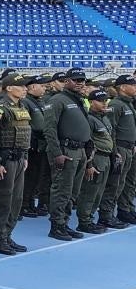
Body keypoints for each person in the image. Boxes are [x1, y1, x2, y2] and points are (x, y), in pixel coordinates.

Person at [0, 73, 34, 255]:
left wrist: (24, 156)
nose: (25, 89)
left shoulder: (22, 106)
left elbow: (24, 134)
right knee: (4, 200)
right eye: (21, 86)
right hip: (5, 160)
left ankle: (7, 235)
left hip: (18, 158)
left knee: (16, 200)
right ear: (9, 88)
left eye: (25, 86)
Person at [44, 68, 91, 241]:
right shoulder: (57, 100)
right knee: (61, 190)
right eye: (76, 80)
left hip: (79, 151)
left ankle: (65, 223)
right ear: (67, 81)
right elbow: (49, 128)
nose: (80, 83)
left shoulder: (79, 100)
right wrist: (57, 153)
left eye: (82, 80)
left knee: (73, 191)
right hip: (66, 150)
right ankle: (56, 226)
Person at [77, 90, 115, 234]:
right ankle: (84, 221)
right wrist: (89, 164)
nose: (105, 103)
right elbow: (88, 142)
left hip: (105, 158)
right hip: (96, 157)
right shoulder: (89, 119)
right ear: (92, 102)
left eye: (106, 100)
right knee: (89, 191)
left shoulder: (104, 118)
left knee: (99, 192)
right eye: (101, 101)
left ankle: (90, 218)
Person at [100, 74, 136, 228]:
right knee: (114, 183)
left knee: (127, 182)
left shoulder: (128, 103)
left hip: (129, 147)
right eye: (132, 85)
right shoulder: (116, 104)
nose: (135, 87)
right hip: (120, 148)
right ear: (122, 87)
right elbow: (111, 129)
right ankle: (106, 215)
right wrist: (115, 151)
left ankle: (125, 209)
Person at [21, 74, 53, 217]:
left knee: (36, 176)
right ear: (32, 87)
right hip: (33, 143)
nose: (44, 88)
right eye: (42, 86)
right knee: (29, 176)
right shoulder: (26, 102)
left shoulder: (39, 101)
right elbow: (26, 125)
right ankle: (24, 205)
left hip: (41, 144)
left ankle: (30, 204)